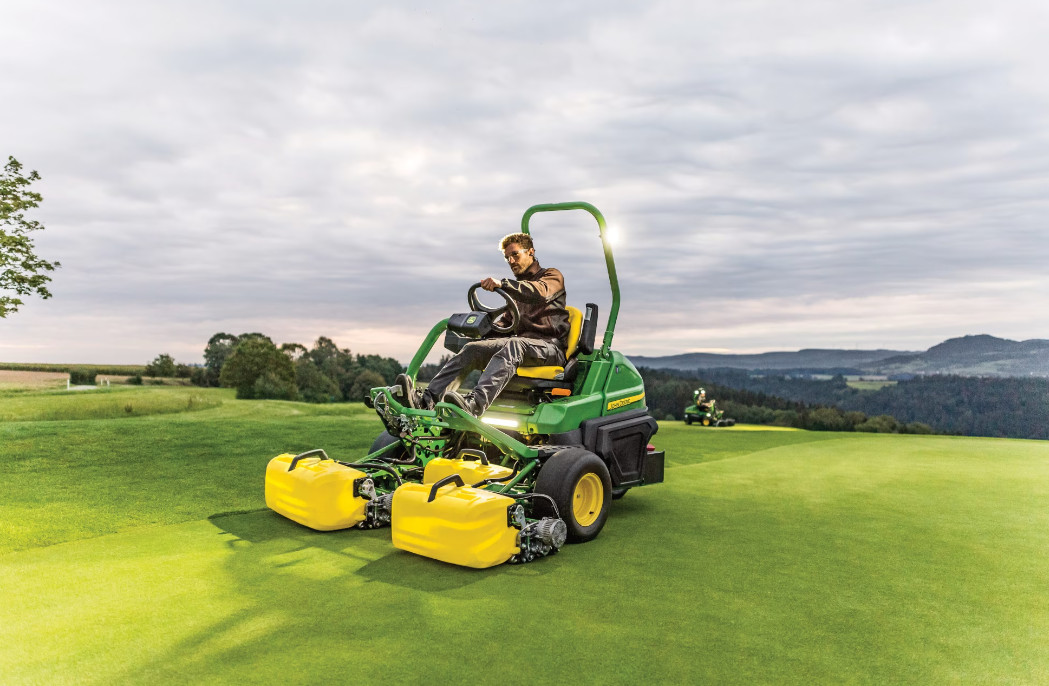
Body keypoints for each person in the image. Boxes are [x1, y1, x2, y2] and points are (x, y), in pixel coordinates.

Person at [393, 232, 569, 417]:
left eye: (515, 254)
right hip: (522, 347)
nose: (511, 261)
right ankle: (426, 401)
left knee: (515, 344)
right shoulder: (515, 295)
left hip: (550, 348)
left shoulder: (551, 277)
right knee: (472, 348)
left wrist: (503, 284)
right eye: (507, 257)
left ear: (531, 251)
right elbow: (505, 326)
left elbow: (538, 292)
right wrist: (481, 333)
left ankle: (474, 405)